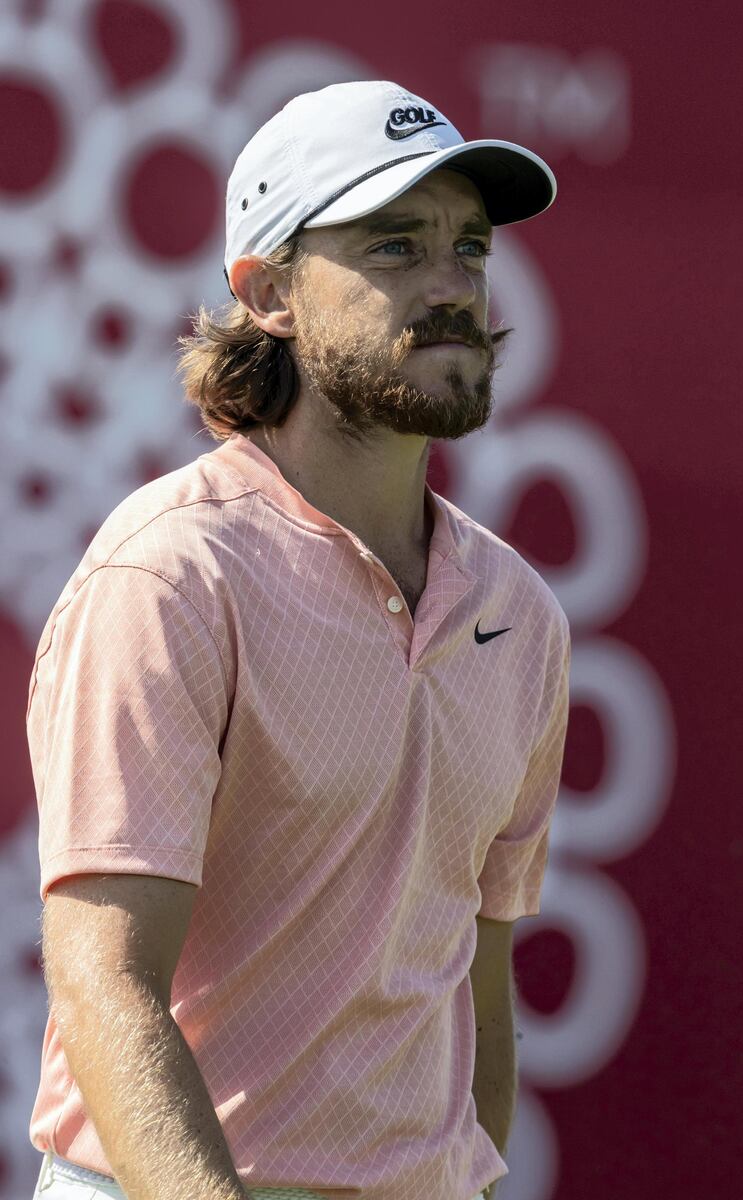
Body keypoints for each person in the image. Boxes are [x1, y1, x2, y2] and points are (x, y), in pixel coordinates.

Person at [27, 80, 571, 1200]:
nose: (449, 283)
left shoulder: (518, 617)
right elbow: (103, 990)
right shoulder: (170, 573)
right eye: (393, 244)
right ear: (268, 290)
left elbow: (473, 992)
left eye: (467, 246)